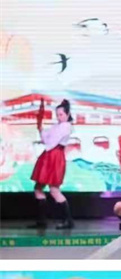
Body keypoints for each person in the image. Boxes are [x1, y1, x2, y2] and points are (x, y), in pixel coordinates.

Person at [29, 98, 75, 230]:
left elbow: (50, 143)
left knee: (54, 190)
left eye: (61, 114)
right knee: (38, 188)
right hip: (49, 156)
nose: (59, 117)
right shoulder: (58, 126)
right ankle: (41, 221)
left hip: (54, 157)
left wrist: (43, 134)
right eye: (57, 115)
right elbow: (46, 139)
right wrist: (40, 129)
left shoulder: (66, 126)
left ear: (67, 114)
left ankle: (68, 221)